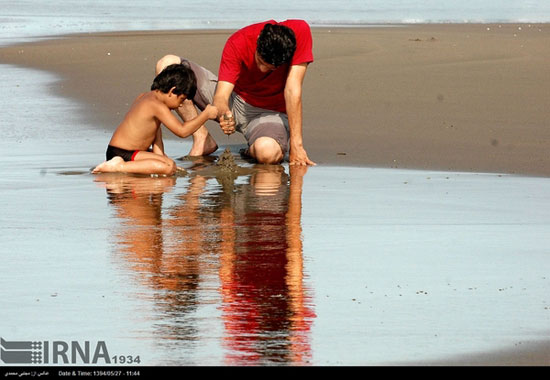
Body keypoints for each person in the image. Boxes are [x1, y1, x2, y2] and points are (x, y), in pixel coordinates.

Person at [156, 19, 316, 166]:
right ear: (258, 42)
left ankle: (252, 149)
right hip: (234, 99)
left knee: (267, 153)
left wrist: (296, 145)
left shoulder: (300, 32)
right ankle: (202, 139)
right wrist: (224, 112)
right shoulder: (240, 40)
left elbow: (292, 90)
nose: (263, 69)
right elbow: (221, 95)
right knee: (167, 64)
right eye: (260, 61)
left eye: (271, 68)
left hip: (269, 114)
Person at [92, 63, 218, 175]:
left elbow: (155, 133)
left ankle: (127, 165)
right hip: (122, 153)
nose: (180, 105)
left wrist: (161, 157)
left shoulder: (146, 97)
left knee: (169, 164)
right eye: (181, 99)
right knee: (168, 167)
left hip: (130, 152)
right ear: (172, 91)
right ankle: (119, 166)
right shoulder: (156, 105)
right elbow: (182, 131)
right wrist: (205, 115)